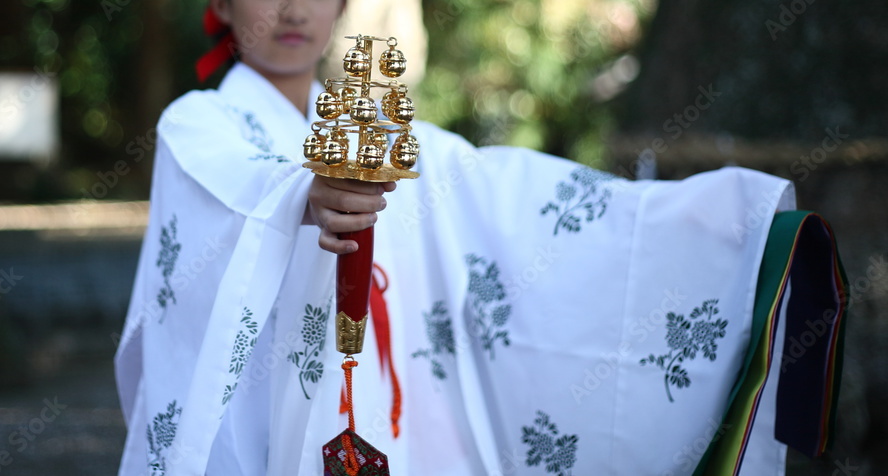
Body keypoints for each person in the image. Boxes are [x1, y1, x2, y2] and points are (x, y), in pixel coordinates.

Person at [114, 1, 848, 474]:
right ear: (219, 5)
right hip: (261, 432)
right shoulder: (198, 125)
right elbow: (233, 184)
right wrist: (302, 195)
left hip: (381, 428)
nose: (292, 9)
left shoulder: (386, 137)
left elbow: (510, 196)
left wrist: (711, 225)